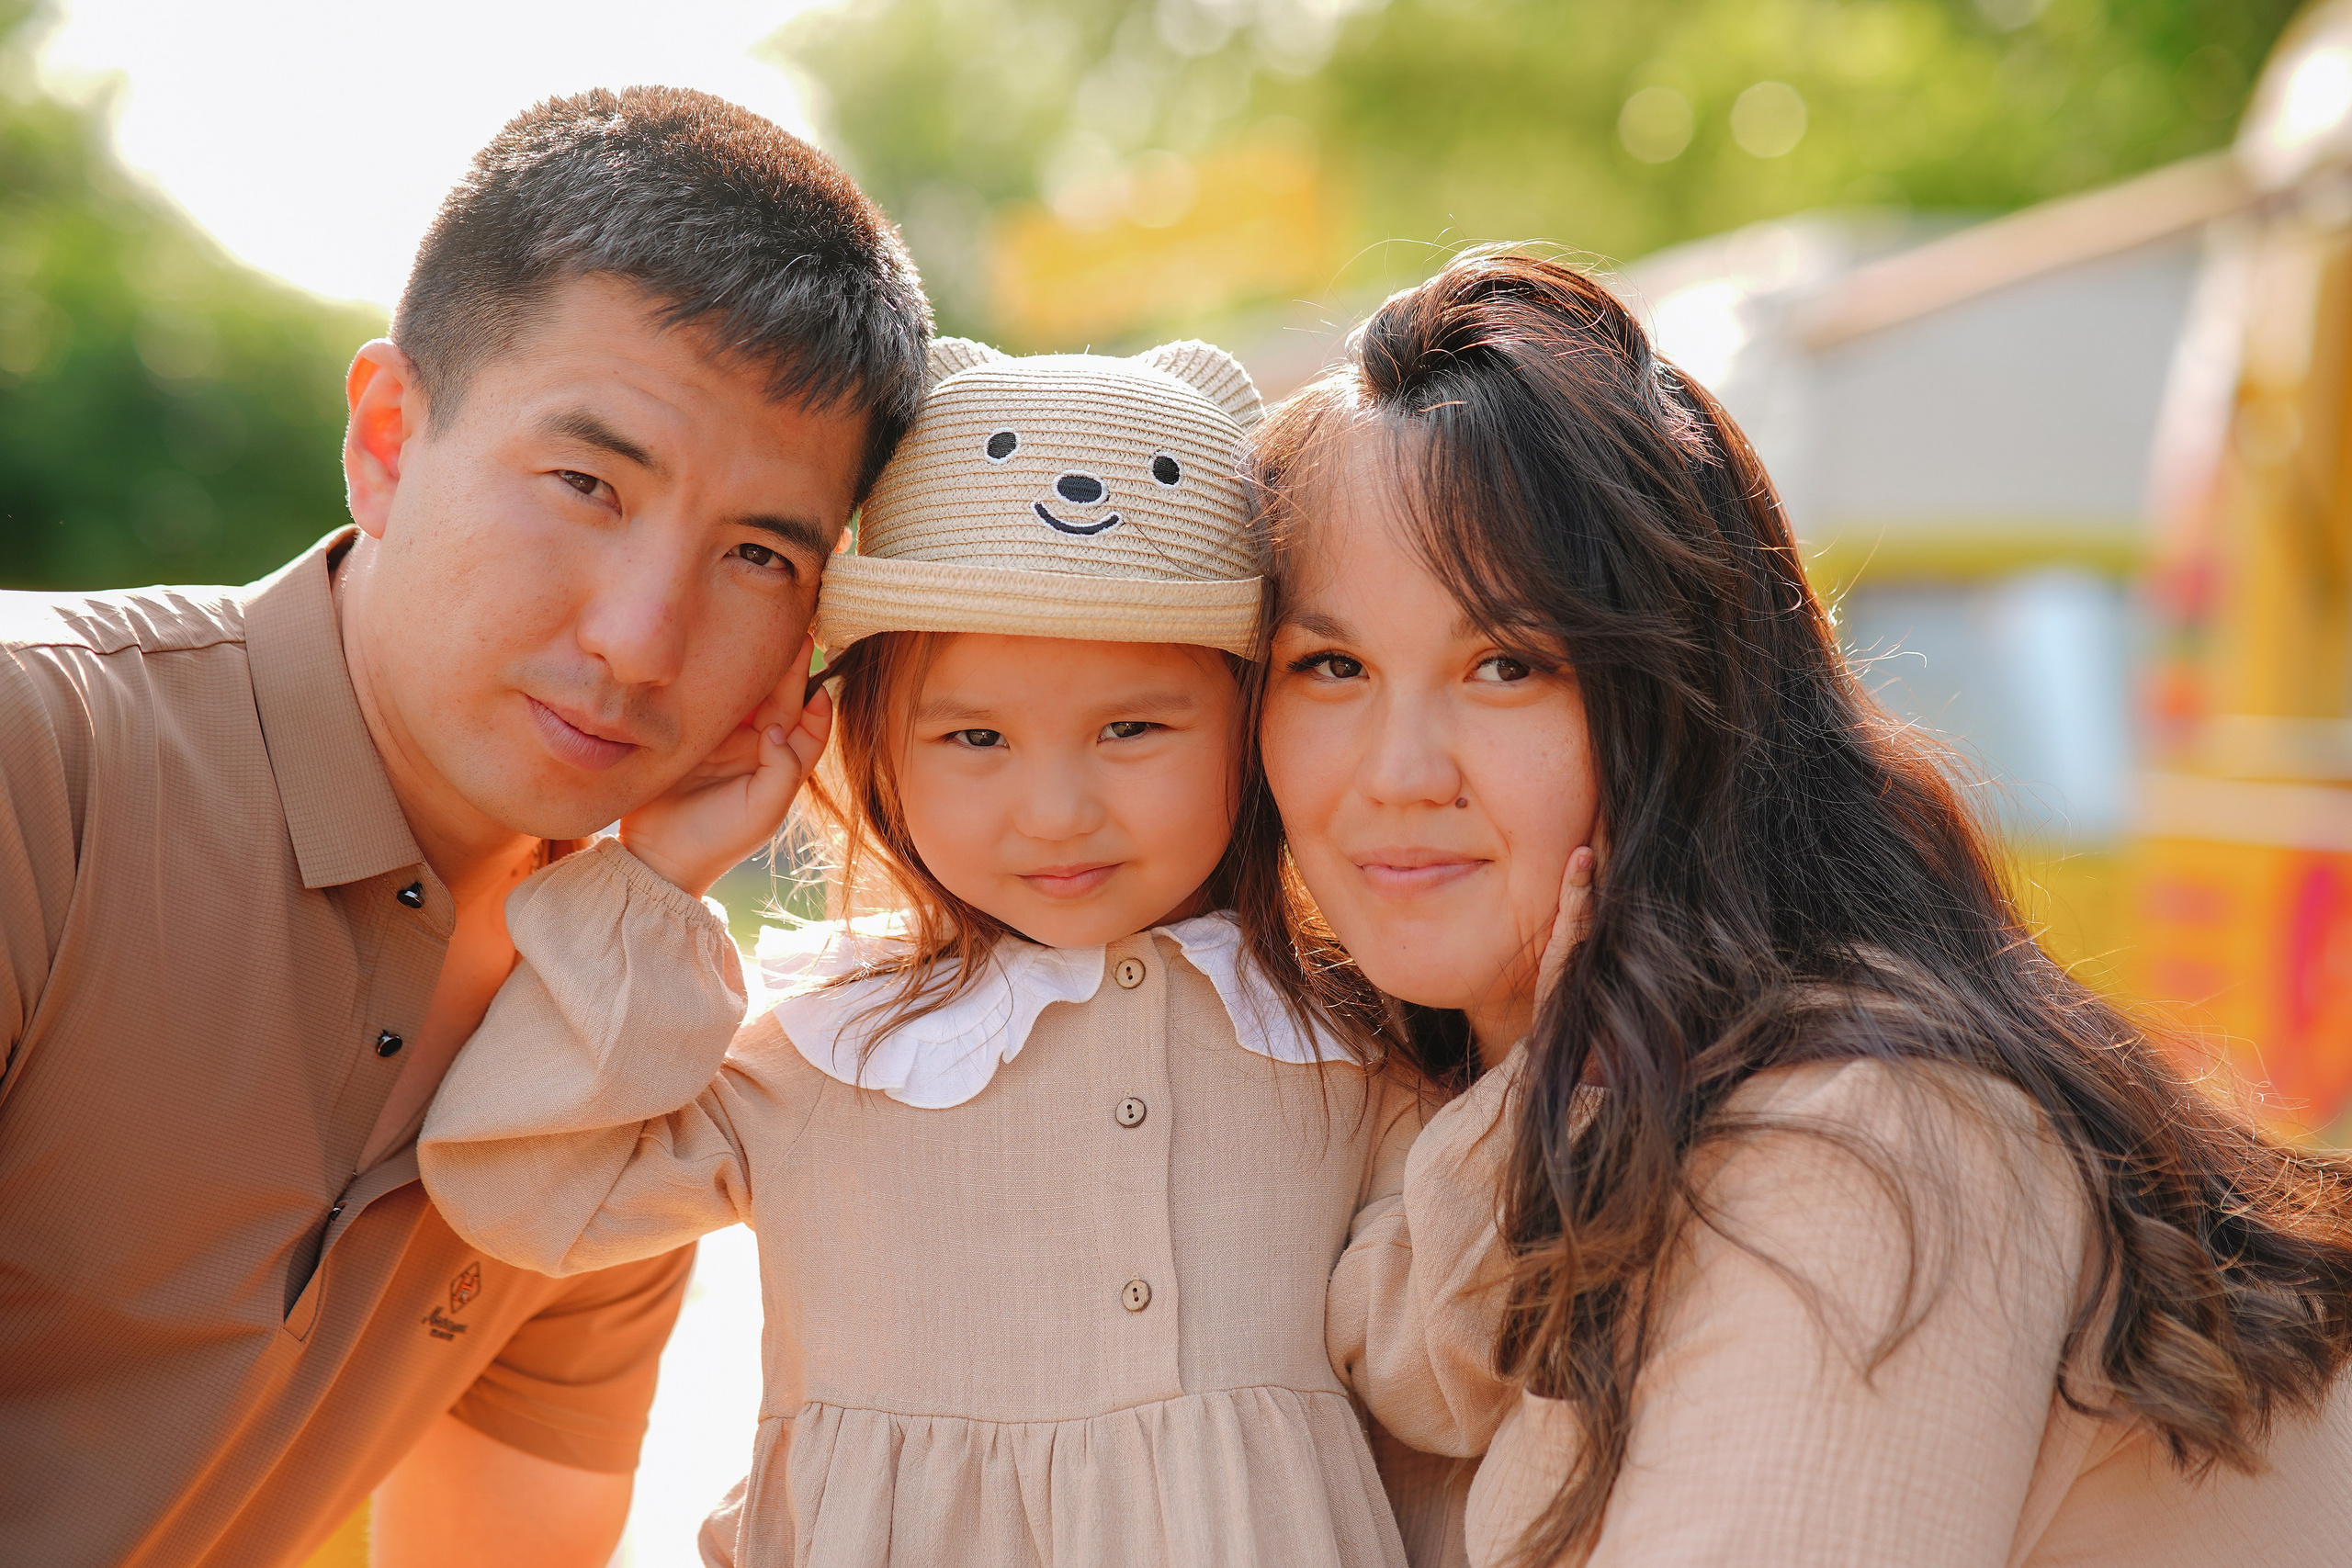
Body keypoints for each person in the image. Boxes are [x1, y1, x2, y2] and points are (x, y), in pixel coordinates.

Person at [1246, 250, 2352, 1566]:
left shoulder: (1862, 1140)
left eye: (1507, 664)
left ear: (1686, 702)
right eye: (1330, 665)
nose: (1397, 774)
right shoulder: (1386, 1143)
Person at [0, 87, 928, 1568]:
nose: (641, 640)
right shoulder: (38, 764)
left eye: (759, 555)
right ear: (386, 438)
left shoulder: (620, 1045)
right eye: (586, 483)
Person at [416, 337, 1464, 1567]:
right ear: (877, 747)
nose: (1055, 812)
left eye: (1133, 729)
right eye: (976, 738)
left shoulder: (1338, 1041)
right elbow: (525, 1190)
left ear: (1252, 729)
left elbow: (1432, 1375)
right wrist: (656, 878)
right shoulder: (839, 1048)